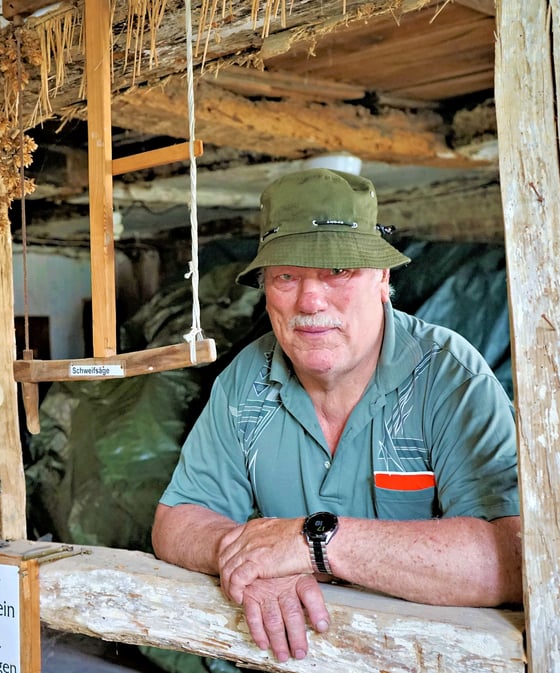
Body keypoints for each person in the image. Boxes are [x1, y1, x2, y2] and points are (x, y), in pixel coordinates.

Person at [151, 168, 522, 662]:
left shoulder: (450, 379)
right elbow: (176, 518)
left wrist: (313, 543)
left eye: (338, 271)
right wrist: (250, 559)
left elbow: (512, 558)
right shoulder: (247, 380)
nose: (310, 300)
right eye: (287, 275)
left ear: (383, 278)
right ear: (265, 287)